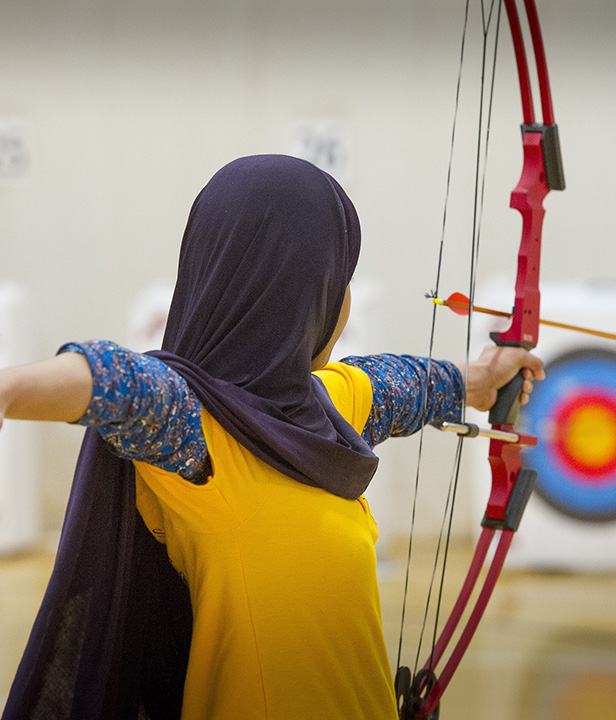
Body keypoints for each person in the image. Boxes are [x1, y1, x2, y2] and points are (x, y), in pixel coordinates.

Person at [0, 155, 544, 720]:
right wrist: (9, 390)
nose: (344, 299)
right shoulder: (197, 428)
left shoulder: (330, 407)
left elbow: (408, 385)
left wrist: (480, 380)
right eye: (338, 278)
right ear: (300, 288)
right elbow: (116, 382)